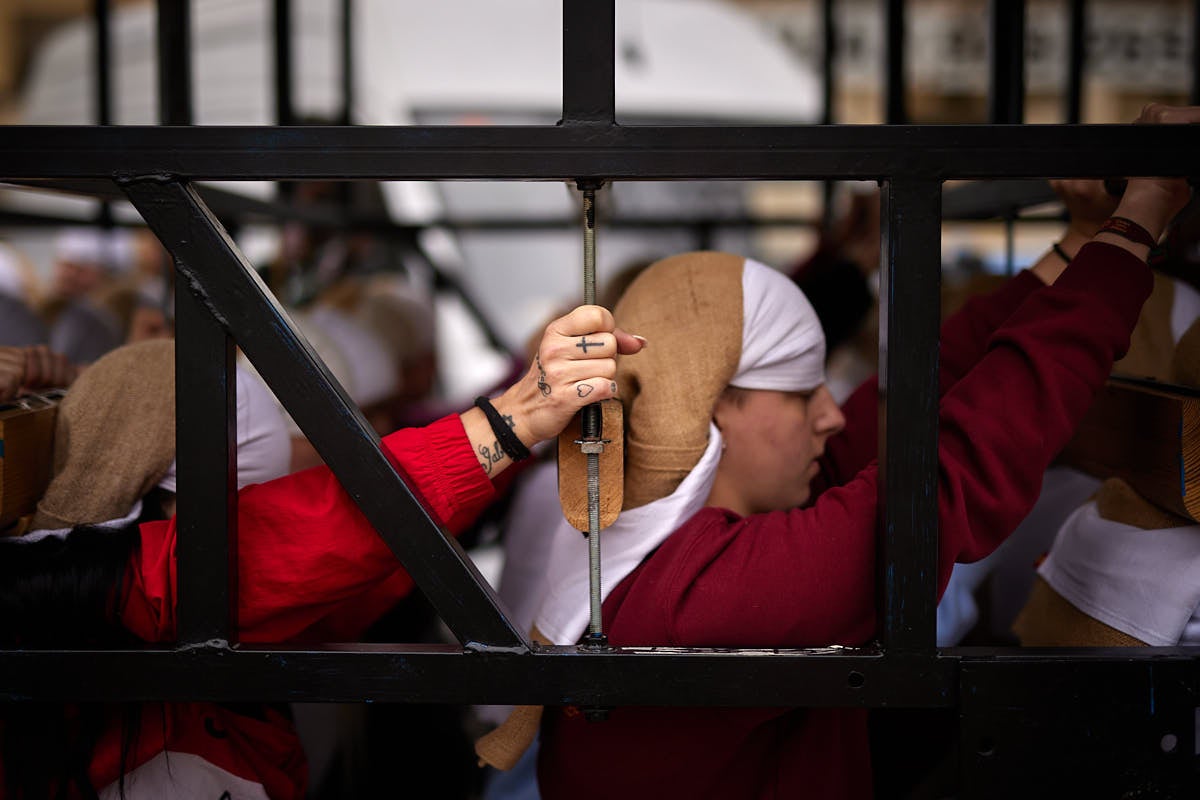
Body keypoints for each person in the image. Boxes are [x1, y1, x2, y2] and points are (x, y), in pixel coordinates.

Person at [526, 103, 1198, 799]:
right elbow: (950, 465)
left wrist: (1085, 240)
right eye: (799, 392)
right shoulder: (702, 599)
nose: (830, 416)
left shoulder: (655, 532)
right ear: (714, 404)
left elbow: (924, 387)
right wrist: (1138, 220)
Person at [0, 304, 642, 799]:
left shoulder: (79, 582)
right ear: (177, 501)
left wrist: (508, 435)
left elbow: (352, 563)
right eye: (256, 497)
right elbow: (298, 542)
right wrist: (509, 423)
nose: (331, 458)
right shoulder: (86, 589)